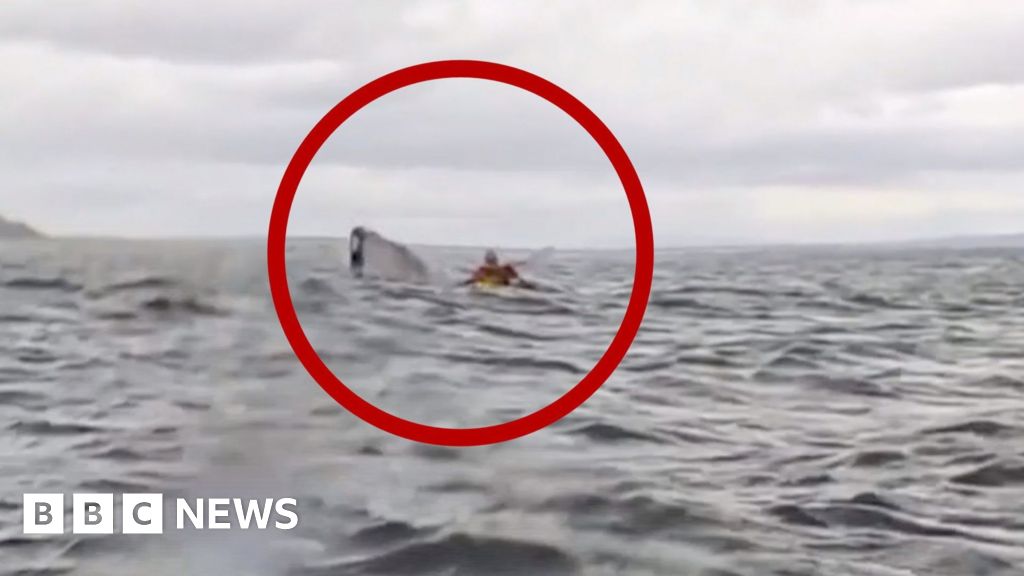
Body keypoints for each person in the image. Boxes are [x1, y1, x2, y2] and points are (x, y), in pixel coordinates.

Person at [463, 249, 535, 288]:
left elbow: (519, 279)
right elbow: (472, 280)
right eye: (490, 260)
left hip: (504, 286)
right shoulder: (482, 269)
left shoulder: (505, 268)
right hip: (500, 287)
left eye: (492, 260)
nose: (492, 262)